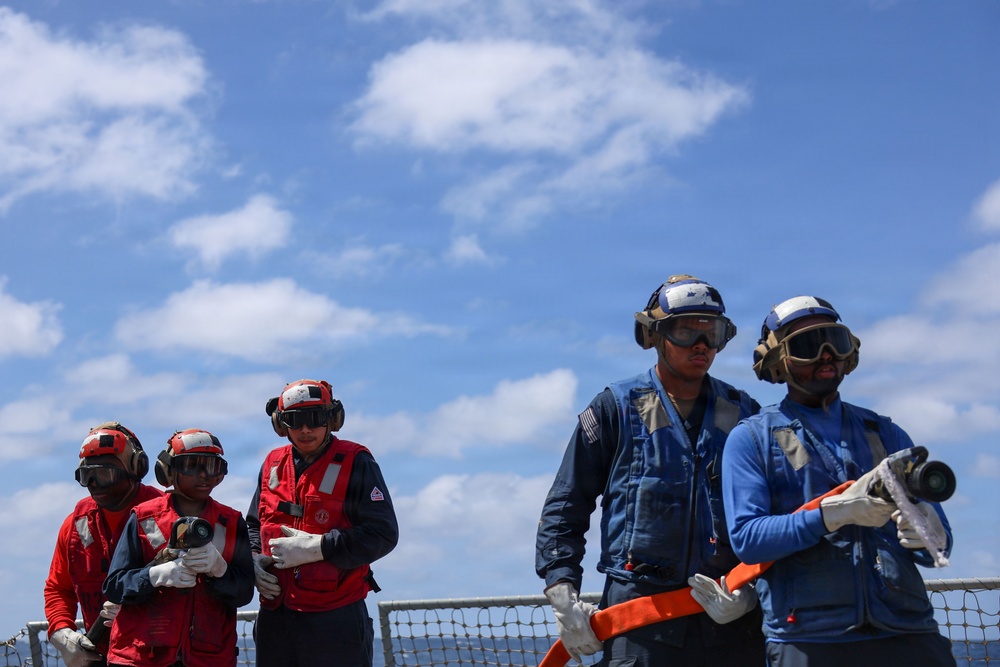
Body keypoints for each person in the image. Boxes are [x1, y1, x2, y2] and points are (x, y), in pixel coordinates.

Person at [535, 275, 766, 666]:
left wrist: (754, 591)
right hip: (640, 624)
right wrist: (562, 591)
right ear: (653, 335)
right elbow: (565, 507)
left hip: (730, 619)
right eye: (686, 330)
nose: (701, 345)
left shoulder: (747, 417)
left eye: (713, 332)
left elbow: (774, 515)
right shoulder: (614, 409)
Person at [722, 296, 956, 666]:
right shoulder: (752, 439)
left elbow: (940, 544)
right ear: (780, 361)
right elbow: (748, 540)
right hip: (810, 642)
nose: (826, 355)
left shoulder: (886, 433)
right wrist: (828, 517)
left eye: (835, 342)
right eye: (808, 347)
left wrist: (930, 531)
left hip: (909, 636)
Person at [246, 379, 399, 667]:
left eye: (315, 419)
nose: (305, 429)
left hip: (336, 619)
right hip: (275, 618)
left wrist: (319, 547)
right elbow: (253, 525)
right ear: (281, 425)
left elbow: (384, 533)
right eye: (295, 420)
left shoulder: (357, 461)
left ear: (333, 419)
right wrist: (253, 561)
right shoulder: (271, 464)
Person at [103, 428, 255, 667]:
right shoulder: (144, 517)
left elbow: (244, 592)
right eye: (192, 465)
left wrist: (220, 572)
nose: (204, 475)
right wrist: (154, 576)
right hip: (142, 657)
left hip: (208, 658)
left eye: (212, 466)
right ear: (169, 471)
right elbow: (115, 585)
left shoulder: (232, 522)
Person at [44, 422, 163, 667]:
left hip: (160, 656)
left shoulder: (166, 513)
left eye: (105, 474)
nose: (95, 485)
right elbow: (58, 588)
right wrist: (61, 632)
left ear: (136, 468)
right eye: (88, 476)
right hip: (99, 654)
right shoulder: (75, 525)